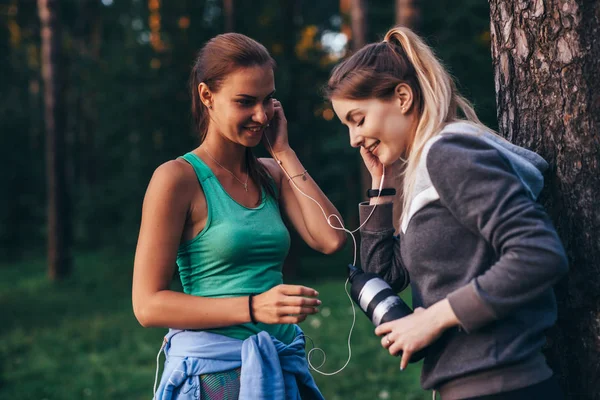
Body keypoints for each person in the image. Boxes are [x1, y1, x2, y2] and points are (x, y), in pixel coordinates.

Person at [326, 26, 568, 400]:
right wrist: (380, 184)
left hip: (504, 386)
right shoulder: (425, 168)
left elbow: (539, 254)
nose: (354, 138)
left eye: (358, 119)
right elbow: (382, 278)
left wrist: (434, 318)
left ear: (403, 97)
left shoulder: (449, 154)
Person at [132, 32, 346, 400]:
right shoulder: (177, 178)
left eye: (268, 101)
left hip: (281, 365)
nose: (261, 116)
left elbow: (331, 238)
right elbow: (148, 305)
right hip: (215, 377)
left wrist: (284, 152)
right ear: (206, 96)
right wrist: (254, 306)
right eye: (245, 102)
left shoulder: (271, 173)